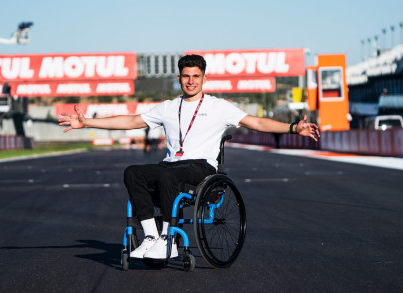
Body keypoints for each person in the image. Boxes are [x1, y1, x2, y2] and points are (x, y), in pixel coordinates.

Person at [58, 54, 320, 260]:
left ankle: (169, 240)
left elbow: (255, 122)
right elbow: (131, 120)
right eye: (186, 76)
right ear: (179, 78)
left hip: (201, 168)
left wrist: (292, 128)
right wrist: (88, 123)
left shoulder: (218, 107)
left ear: (204, 78)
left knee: (166, 172)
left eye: (196, 76)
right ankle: (153, 237)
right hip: (171, 166)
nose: (191, 81)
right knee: (133, 172)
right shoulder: (169, 108)